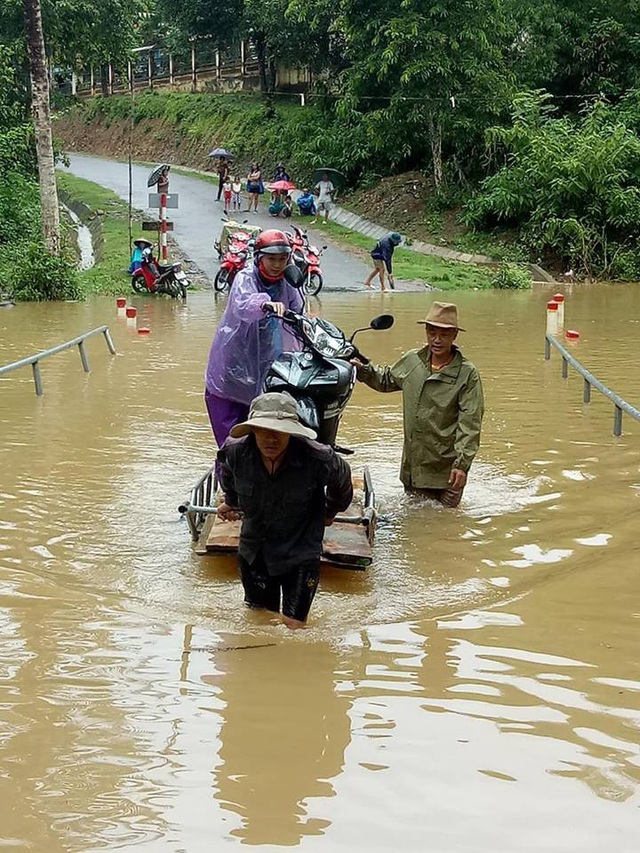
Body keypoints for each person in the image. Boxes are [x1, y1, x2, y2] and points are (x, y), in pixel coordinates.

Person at [217, 391, 353, 629]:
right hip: (255, 550)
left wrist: (330, 512)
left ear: (291, 431)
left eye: (280, 432)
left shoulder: (318, 458)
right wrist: (232, 501)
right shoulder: (235, 452)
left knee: (294, 627)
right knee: (260, 622)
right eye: (264, 430)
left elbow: (342, 482)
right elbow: (227, 475)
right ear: (253, 430)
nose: (272, 438)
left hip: (300, 550)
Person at [352, 302, 484, 508]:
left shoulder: (467, 374)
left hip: (447, 471)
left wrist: (462, 465)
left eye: (444, 335)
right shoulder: (413, 361)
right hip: (413, 467)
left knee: (445, 523)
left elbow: (470, 422)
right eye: (432, 333)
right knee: (415, 521)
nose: (437, 340)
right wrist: (362, 369)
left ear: (455, 335)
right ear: (426, 332)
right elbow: (386, 380)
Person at [204, 229, 304, 450]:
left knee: (264, 437)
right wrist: (264, 303)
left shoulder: (287, 282)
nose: (277, 265)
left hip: (268, 360)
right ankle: (228, 480)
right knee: (231, 441)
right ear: (259, 258)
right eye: (271, 259)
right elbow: (243, 303)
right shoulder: (246, 277)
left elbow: (298, 311)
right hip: (233, 364)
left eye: (282, 259)